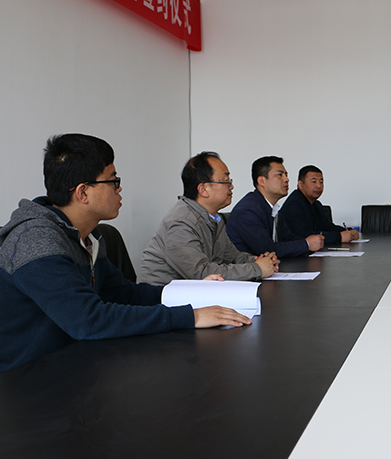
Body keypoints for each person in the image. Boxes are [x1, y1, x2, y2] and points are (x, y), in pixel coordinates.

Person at [0, 135, 252, 372]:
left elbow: (123, 293)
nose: (119, 189)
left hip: (77, 362)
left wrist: (194, 293)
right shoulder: (36, 240)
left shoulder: (88, 235)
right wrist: (190, 316)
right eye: (113, 181)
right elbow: (88, 319)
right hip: (27, 379)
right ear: (83, 192)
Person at [139, 152, 278, 286]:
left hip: (193, 291)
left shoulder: (214, 218)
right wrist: (256, 269)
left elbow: (232, 257)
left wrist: (260, 261)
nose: (231, 186)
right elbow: (201, 273)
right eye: (226, 181)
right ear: (203, 189)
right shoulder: (182, 222)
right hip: (162, 296)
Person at [226, 156, 325, 258]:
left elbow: (288, 238)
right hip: (248, 267)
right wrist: (306, 244)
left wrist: (311, 242)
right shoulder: (248, 210)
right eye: (280, 175)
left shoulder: (271, 208)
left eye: (286, 175)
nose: (286, 179)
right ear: (262, 181)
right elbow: (266, 249)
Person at [279, 165, 359, 245]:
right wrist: (339, 237)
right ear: (300, 184)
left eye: (321, 182)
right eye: (314, 182)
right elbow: (304, 236)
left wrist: (348, 231)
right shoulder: (293, 205)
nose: (319, 186)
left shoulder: (316, 204)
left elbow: (328, 227)